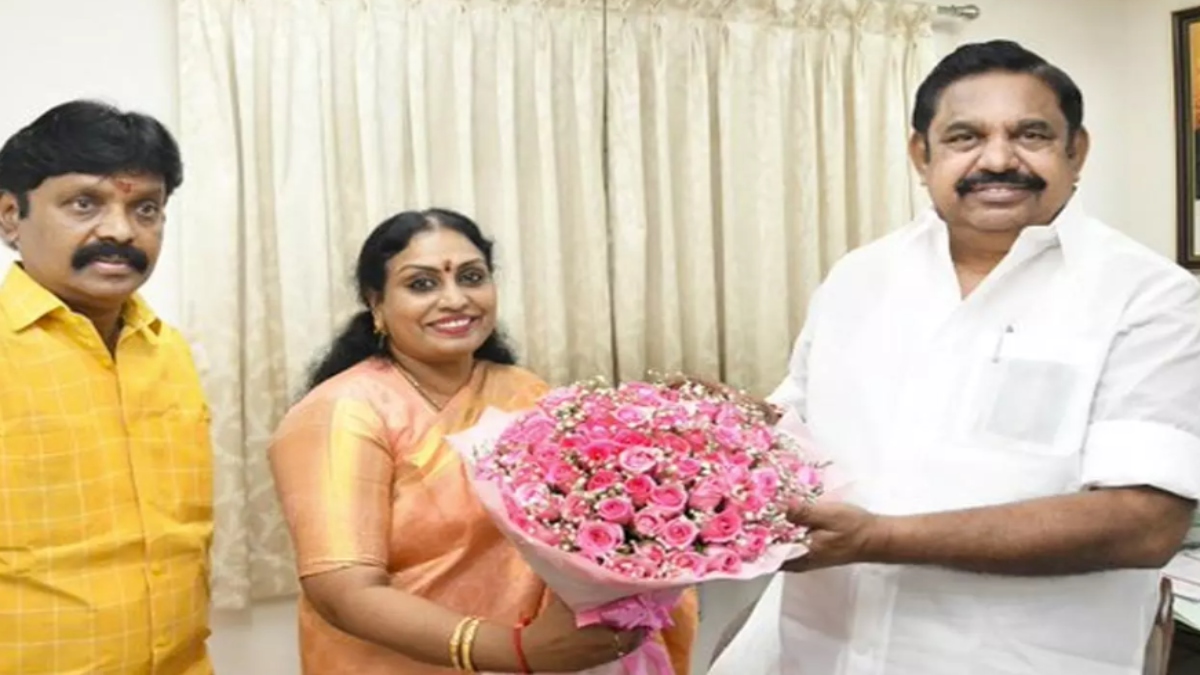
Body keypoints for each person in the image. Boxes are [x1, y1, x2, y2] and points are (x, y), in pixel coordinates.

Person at [770, 40, 1200, 675]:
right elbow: (792, 429)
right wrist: (701, 425)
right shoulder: (859, 276)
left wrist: (878, 539)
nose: (998, 159)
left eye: (1031, 134)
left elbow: (1143, 523)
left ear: (1077, 151)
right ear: (922, 155)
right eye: (964, 137)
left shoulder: (1150, 295)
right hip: (820, 653)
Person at [268, 208, 699, 674]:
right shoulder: (343, 411)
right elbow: (343, 591)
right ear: (377, 303)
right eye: (422, 284)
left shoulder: (523, 390)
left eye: (472, 277)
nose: (455, 299)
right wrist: (512, 650)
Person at [0, 100, 213, 673]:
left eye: (146, 208)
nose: (121, 230)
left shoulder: (168, 350)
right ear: (11, 217)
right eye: (84, 203)